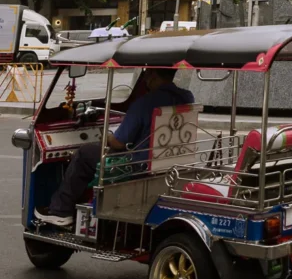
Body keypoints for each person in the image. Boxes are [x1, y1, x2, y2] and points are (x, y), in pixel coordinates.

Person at [35, 68, 194, 228]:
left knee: (84, 154)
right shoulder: (187, 97)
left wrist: (107, 137)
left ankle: (60, 211)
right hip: (170, 162)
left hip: (137, 166)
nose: (145, 79)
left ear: (152, 76)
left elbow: (119, 143)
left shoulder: (145, 103)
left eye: (146, 75)